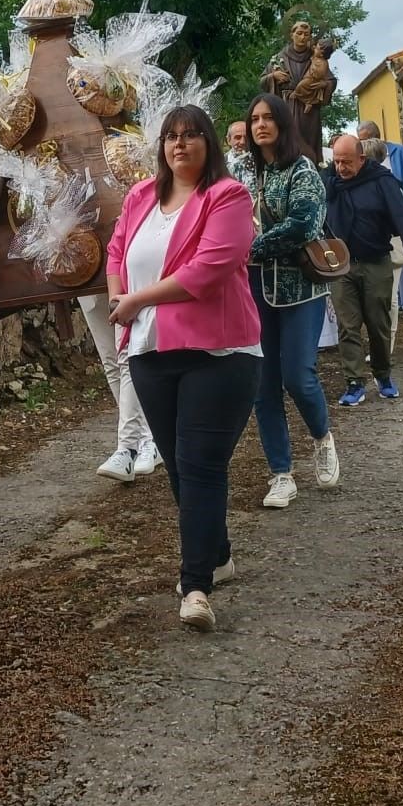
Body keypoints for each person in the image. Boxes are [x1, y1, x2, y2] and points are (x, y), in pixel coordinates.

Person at [105, 106, 259, 632]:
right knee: (179, 465)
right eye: (171, 136)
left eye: (193, 135)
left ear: (209, 143)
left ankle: (196, 586)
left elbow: (209, 270)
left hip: (220, 352)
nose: (180, 144)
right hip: (150, 351)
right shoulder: (140, 196)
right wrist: (118, 299)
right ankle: (217, 552)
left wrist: (136, 300)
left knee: (200, 465)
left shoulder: (229, 197)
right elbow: (116, 252)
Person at [243, 94, 338, 507]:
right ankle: (281, 474)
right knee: (263, 387)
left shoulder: (304, 171)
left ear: (282, 123)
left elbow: (304, 225)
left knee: (298, 376)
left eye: (267, 118)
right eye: (254, 119)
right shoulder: (247, 174)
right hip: (255, 291)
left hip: (301, 290)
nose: (260, 124)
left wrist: (251, 248)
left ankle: (322, 437)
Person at [325, 134, 403, 406]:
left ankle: (383, 374)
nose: (341, 168)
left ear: (362, 159)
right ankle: (354, 382)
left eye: (346, 162)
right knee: (348, 325)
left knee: (378, 323)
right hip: (341, 266)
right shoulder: (329, 183)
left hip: (375, 261)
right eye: (337, 162)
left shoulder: (381, 181)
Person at [77, 291, 163, 482]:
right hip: (86, 277)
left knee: (128, 355)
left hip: (121, 276)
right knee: (110, 359)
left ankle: (141, 442)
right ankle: (143, 441)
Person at [358, 120, 403, 319]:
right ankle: (390, 304)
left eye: (364, 139)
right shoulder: (360, 157)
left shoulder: (399, 152)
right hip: (377, 217)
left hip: (401, 209)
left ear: (375, 137)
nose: (361, 143)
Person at [259, 19, 335, 163]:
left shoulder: (315, 57)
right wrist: (273, 76)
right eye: (299, 33)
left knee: (308, 146)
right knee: (285, 141)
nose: (302, 37)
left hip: (308, 112)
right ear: (291, 35)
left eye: (306, 34)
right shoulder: (280, 58)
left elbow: (331, 81)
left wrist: (323, 85)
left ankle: (310, 168)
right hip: (286, 106)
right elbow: (262, 81)